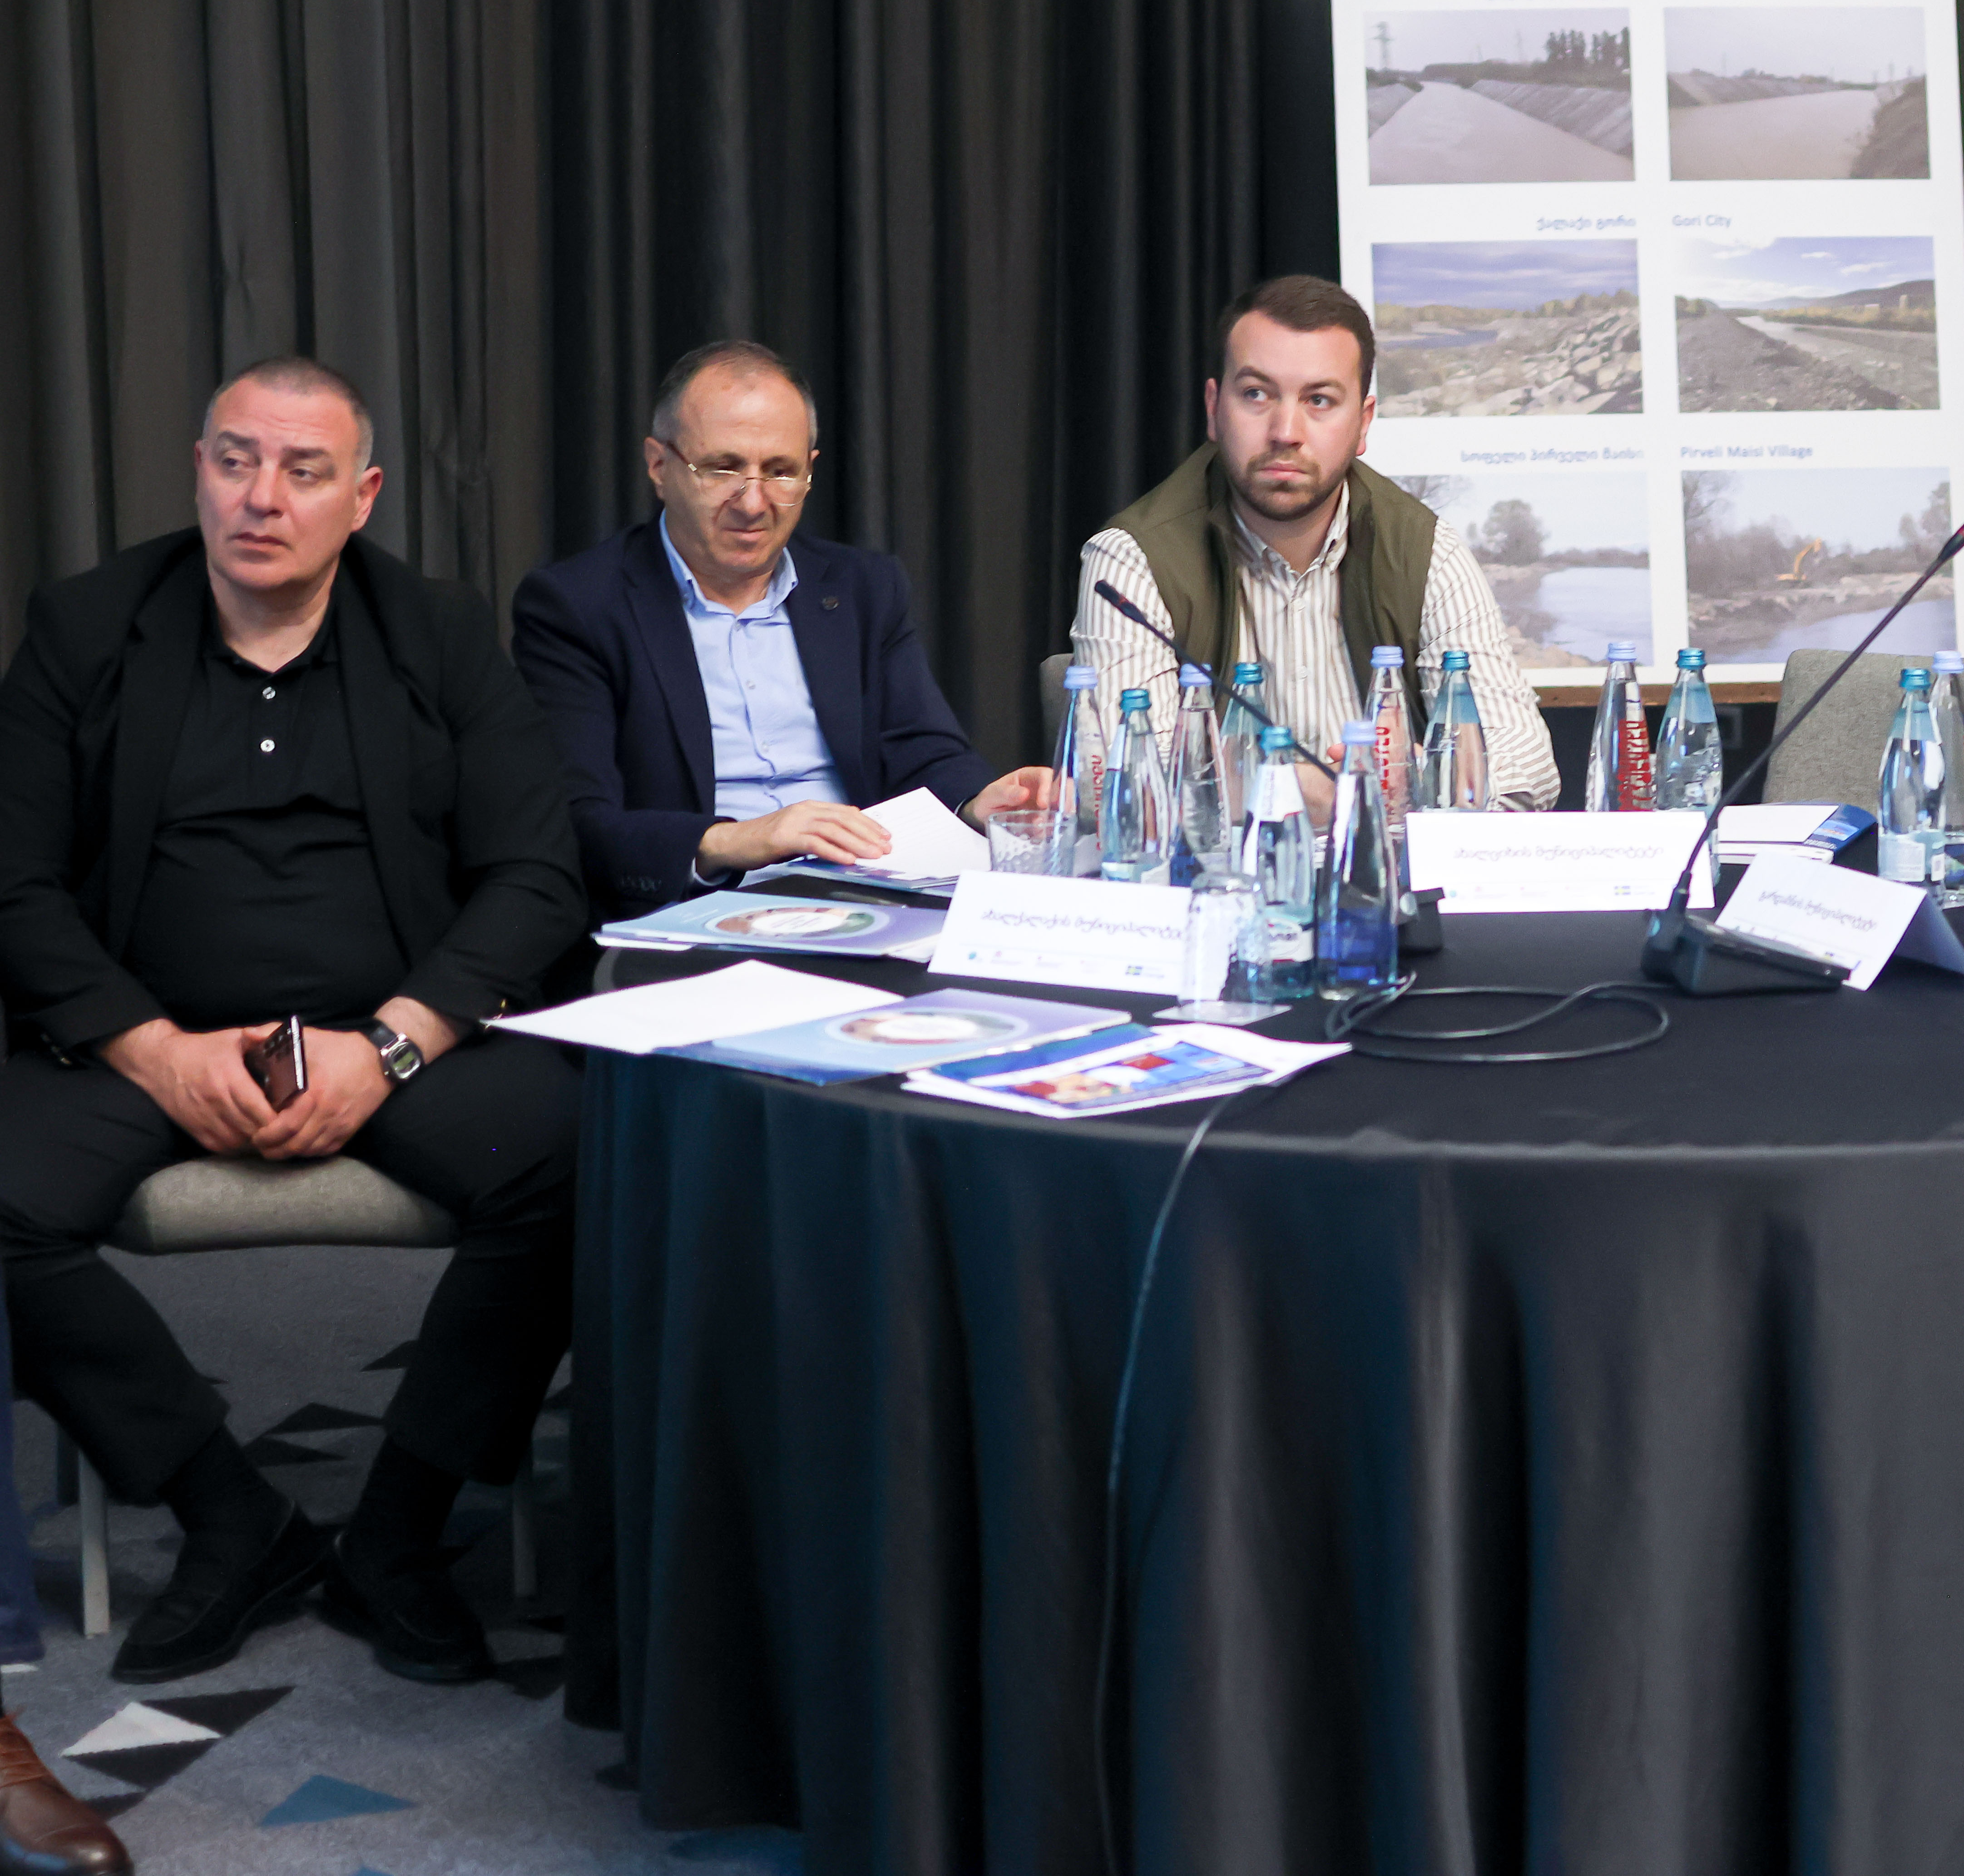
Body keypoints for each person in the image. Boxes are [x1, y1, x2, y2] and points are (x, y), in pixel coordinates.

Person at [0, 359, 589, 1715]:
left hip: (389, 1041)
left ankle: (398, 1531)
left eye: (303, 471)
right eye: (235, 460)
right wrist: (155, 1049)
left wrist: (389, 1046)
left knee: (576, 1164)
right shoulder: (85, 629)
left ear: (362, 496)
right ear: (198, 470)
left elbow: (535, 875)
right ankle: (229, 1518)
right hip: (148, 1040)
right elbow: (13, 883)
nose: (261, 497)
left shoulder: (436, 632)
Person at [511, 340, 1053, 918]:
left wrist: (980, 800)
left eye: (780, 472)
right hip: (696, 912)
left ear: (809, 471)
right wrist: (737, 840)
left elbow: (922, 751)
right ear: (659, 466)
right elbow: (578, 821)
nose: (753, 502)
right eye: (723, 468)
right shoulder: (579, 606)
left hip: (865, 899)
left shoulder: (862, 588)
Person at [1070, 275, 1560, 815]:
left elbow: (1528, 767)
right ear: (1213, 408)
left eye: (1319, 400)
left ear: (1363, 424)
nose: (1286, 431)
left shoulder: (1425, 550)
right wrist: (1300, 794)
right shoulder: (1131, 559)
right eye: (1256, 394)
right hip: (1220, 867)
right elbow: (1119, 785)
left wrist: (1408, 781)